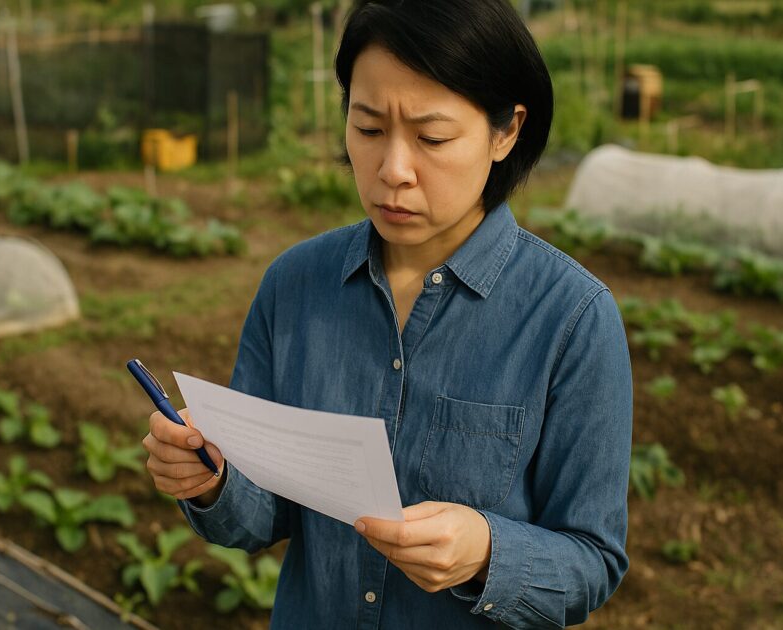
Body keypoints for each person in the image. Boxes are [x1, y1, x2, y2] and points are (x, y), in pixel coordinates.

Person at [141, 0, 633, 627]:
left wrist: (486, 552)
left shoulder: (571, 318)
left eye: (432, 138)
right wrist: (210, 478)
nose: (393, 171)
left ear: (506, 131)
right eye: (369, 129)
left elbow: (592, 561)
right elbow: (266, 513)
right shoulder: (296, 285)